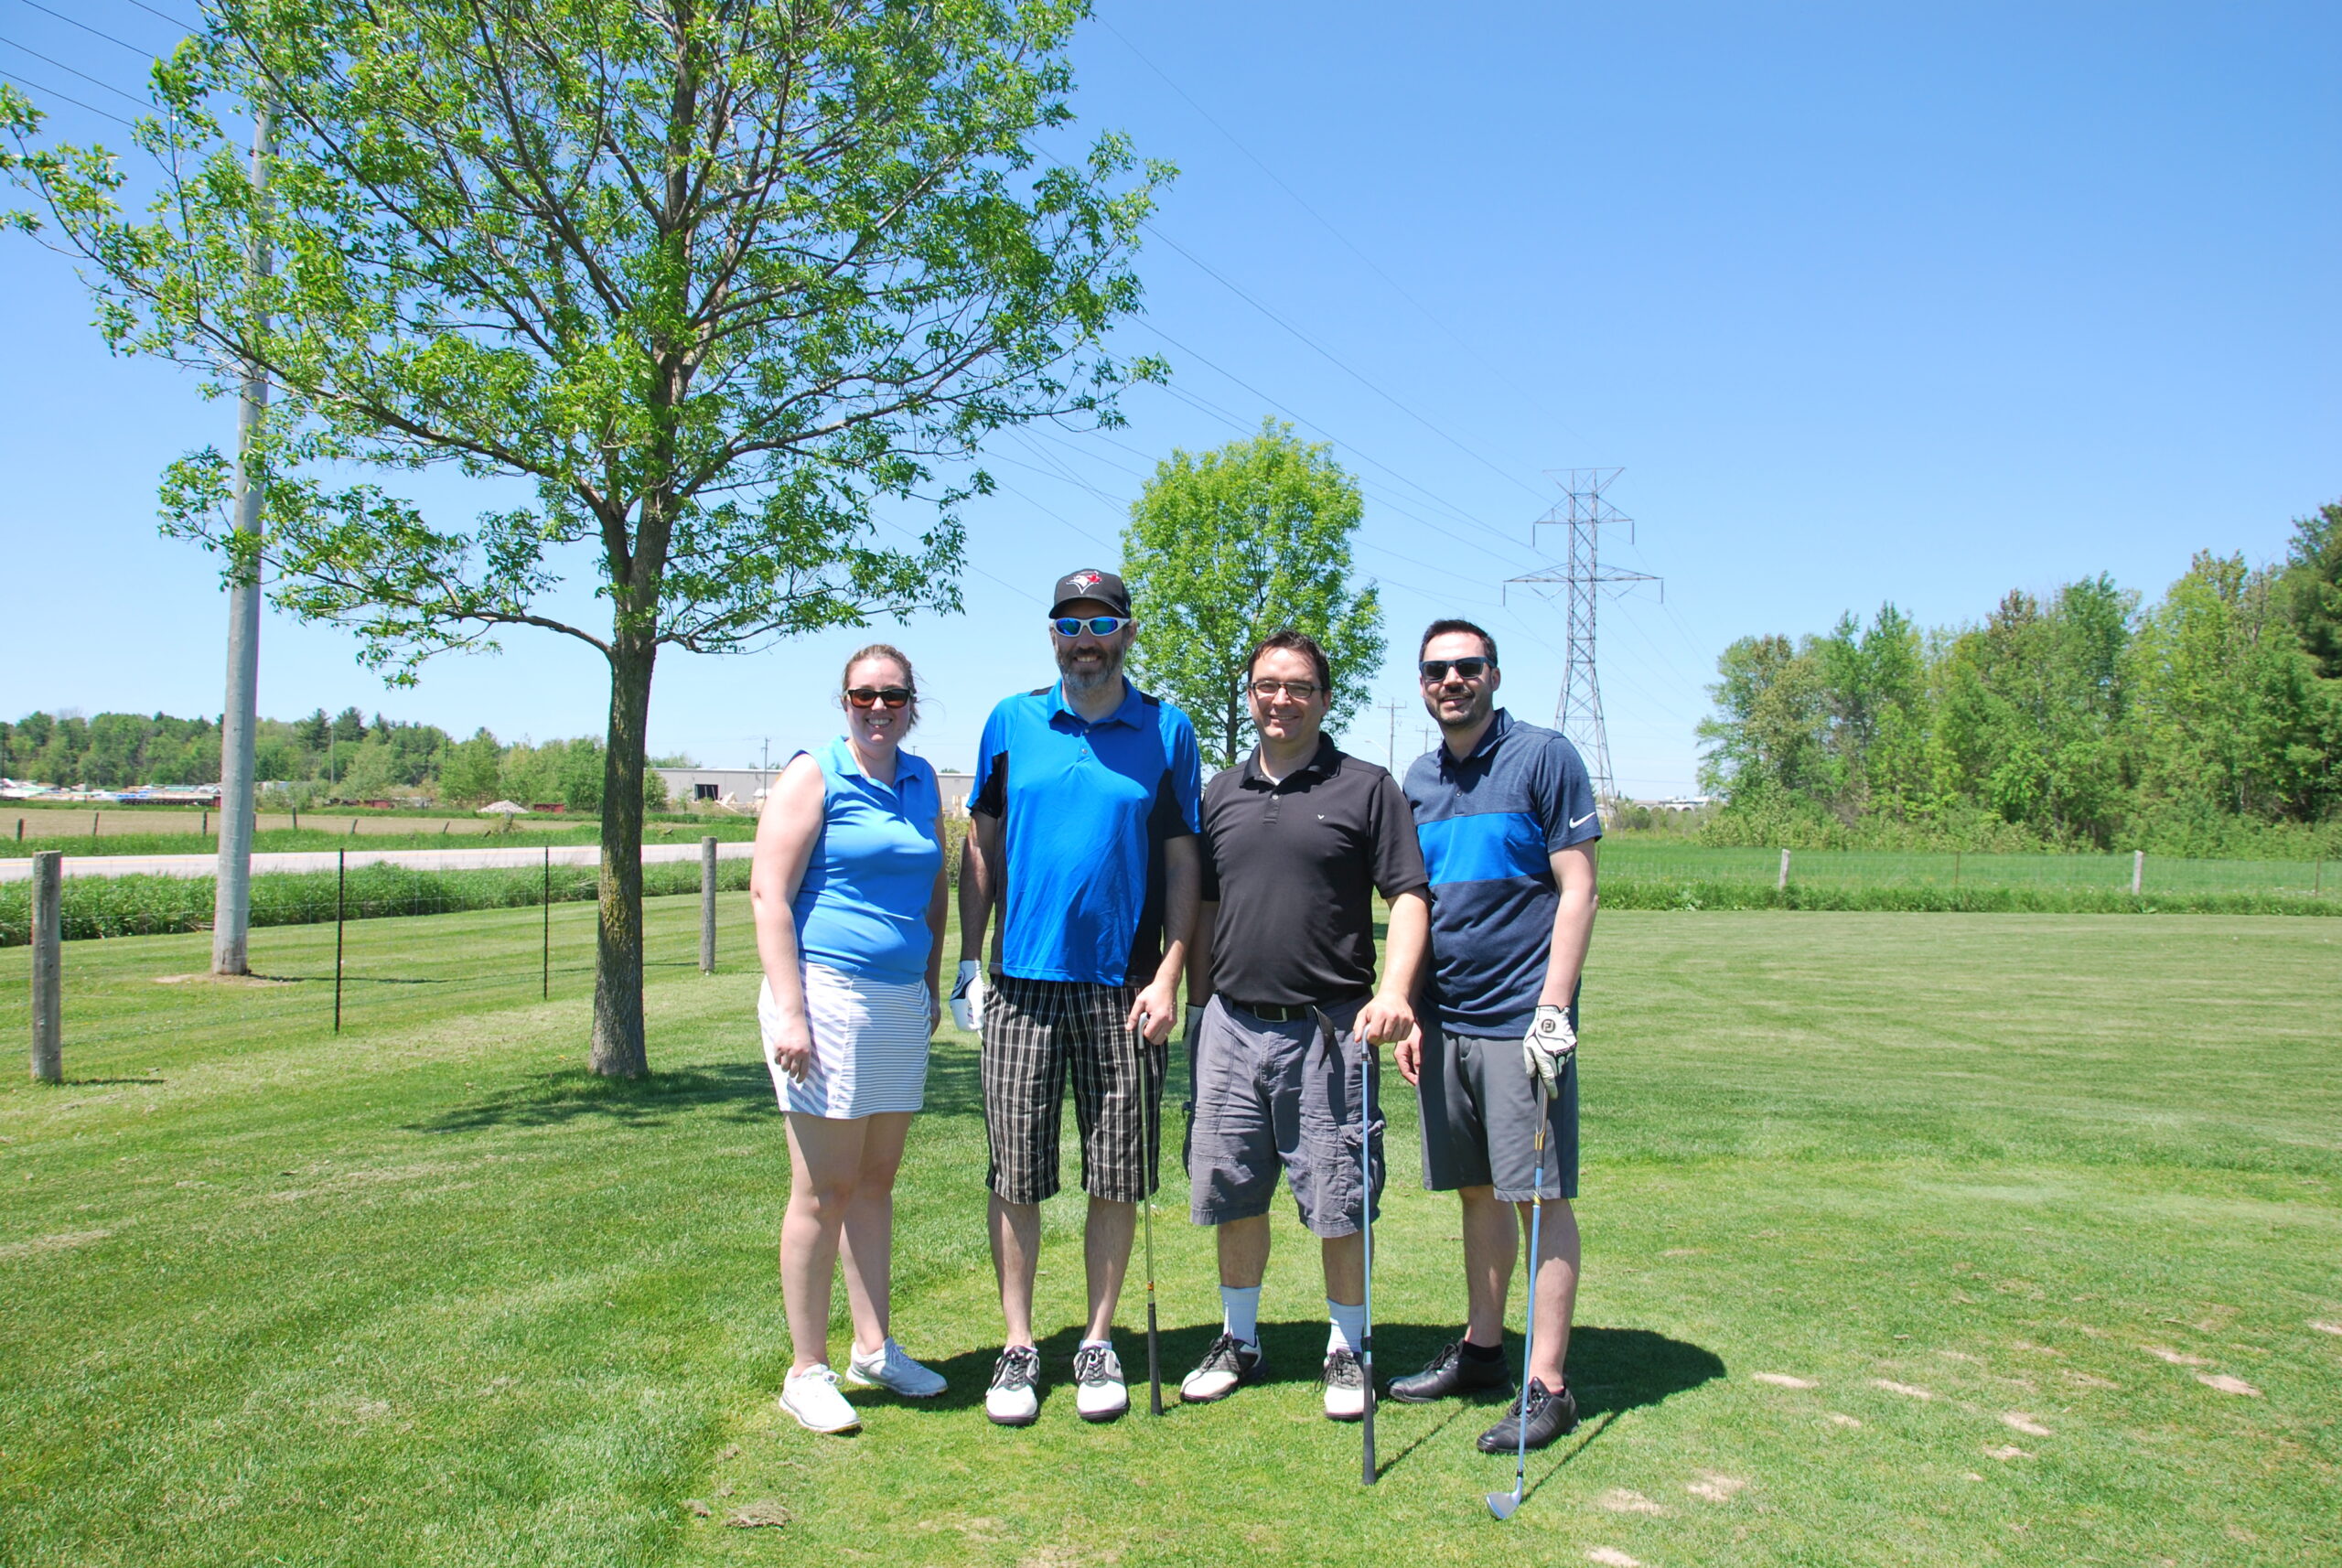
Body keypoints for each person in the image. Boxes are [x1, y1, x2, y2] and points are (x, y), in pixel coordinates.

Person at [953, 567, 1203, 1426]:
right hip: (1022, 986)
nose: (1085, 639)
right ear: (1052, 634)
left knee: (1116, 1173)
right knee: (1016, 1172)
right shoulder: (1010, 722)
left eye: (1101, 623)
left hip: (1126, 987)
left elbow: (1183, 858)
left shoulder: (1168, 730)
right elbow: (981, 847)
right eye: (1070, 623)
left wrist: (1171, 974)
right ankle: (1019, 1346)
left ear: (1128, 632)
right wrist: (969, 962)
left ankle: (1098, 1341)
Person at [1177, 630, 1429, 1421]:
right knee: (1232, 1189)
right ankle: (1239, 1339)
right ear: (1250, 695)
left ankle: (1348, 1347)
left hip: (1329, 1029)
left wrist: (1395, 991)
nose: (1279, 699)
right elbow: (1204, 907)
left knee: (1338, 1194)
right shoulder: (1220, 792)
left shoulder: (1366, 787)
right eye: (1266, 685)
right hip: (1230, 1025)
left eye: (1297, 686)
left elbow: (1409, 895)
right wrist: (1195, 1005)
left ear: (1324, 698)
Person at [1389, 618, 1600, 1456]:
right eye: (1436, 670)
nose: (1452, 681)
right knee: (1476, 1190)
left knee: (1539, 1196)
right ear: (1422, 683)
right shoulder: (1418, 779)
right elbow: (1421, 904)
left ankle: (1548, 1385)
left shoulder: (1544, 757)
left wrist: (1555, 1008)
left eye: (1467, 667)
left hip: (1522, 1021)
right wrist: (1411, 1007)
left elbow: (1578, 889)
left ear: (1494, 675)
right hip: (1449, 1021)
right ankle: (1483, 1350)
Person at [750, 644, 951, 1435]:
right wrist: (791, 1011)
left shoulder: (922, 780)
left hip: (898, 1001)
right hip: (825, 996)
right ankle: (806, 1370)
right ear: (844, 701)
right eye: (864, 695)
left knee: (874, 1182)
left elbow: (934, 886)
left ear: (911, 704)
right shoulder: (814, 774)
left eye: (893, 696)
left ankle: (875, 1349)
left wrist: (929, 979)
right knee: (823, 1190)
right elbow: (768, 893)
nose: (878, 709)